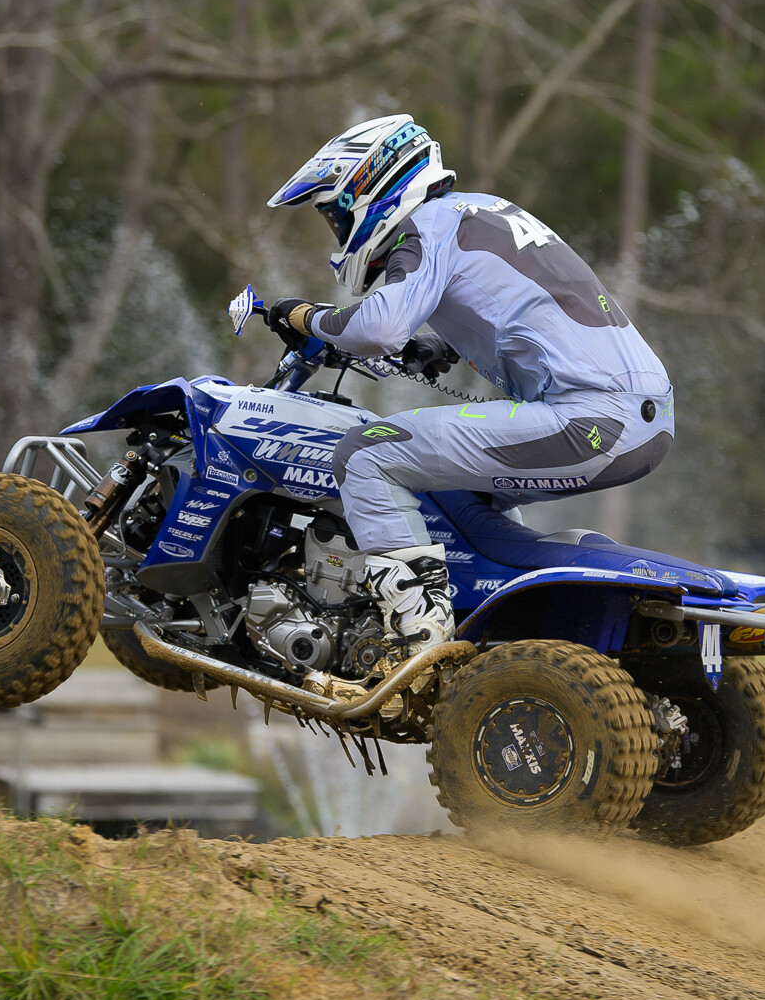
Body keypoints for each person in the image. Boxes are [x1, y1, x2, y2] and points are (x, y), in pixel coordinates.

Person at [261, 113, 675, 656]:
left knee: (365, 457)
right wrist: (445, 345)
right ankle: (493, 625)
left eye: (337, 215)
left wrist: (303, 317)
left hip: (592, 418)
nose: (337, 232)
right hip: (640, 416)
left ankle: (417, 638)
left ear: (373, 189)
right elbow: (528, 305)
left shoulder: (425, 227)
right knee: (462, 498)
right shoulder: (479, 212)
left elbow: (378, 327)